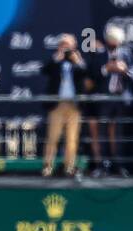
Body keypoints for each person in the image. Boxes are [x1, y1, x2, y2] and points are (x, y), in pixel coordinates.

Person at [40, 33, 87, 177]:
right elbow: (44, 70)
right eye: (63, 45)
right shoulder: (55, 62)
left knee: (72, 138)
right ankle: (47, 167)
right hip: (57, 104)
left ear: (74, 47)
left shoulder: (77, 61)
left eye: (69, 46)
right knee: (53, 137)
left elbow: (86, 73)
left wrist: (77, 61)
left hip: (74, 105)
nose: (66, 49)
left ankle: (69, 167)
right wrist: (57, 58)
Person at [97, 25, 133, 177]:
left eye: (116, 41)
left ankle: (120, 165)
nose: (113, 44)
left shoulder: (127, 54)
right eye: (111, 41)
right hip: (105, 99)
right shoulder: (100, 53)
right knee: (103, 133)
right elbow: (93, 74)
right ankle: (103, 165)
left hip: (121, 98)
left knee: (119, 133)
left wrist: (124, 71)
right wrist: (106, 69)